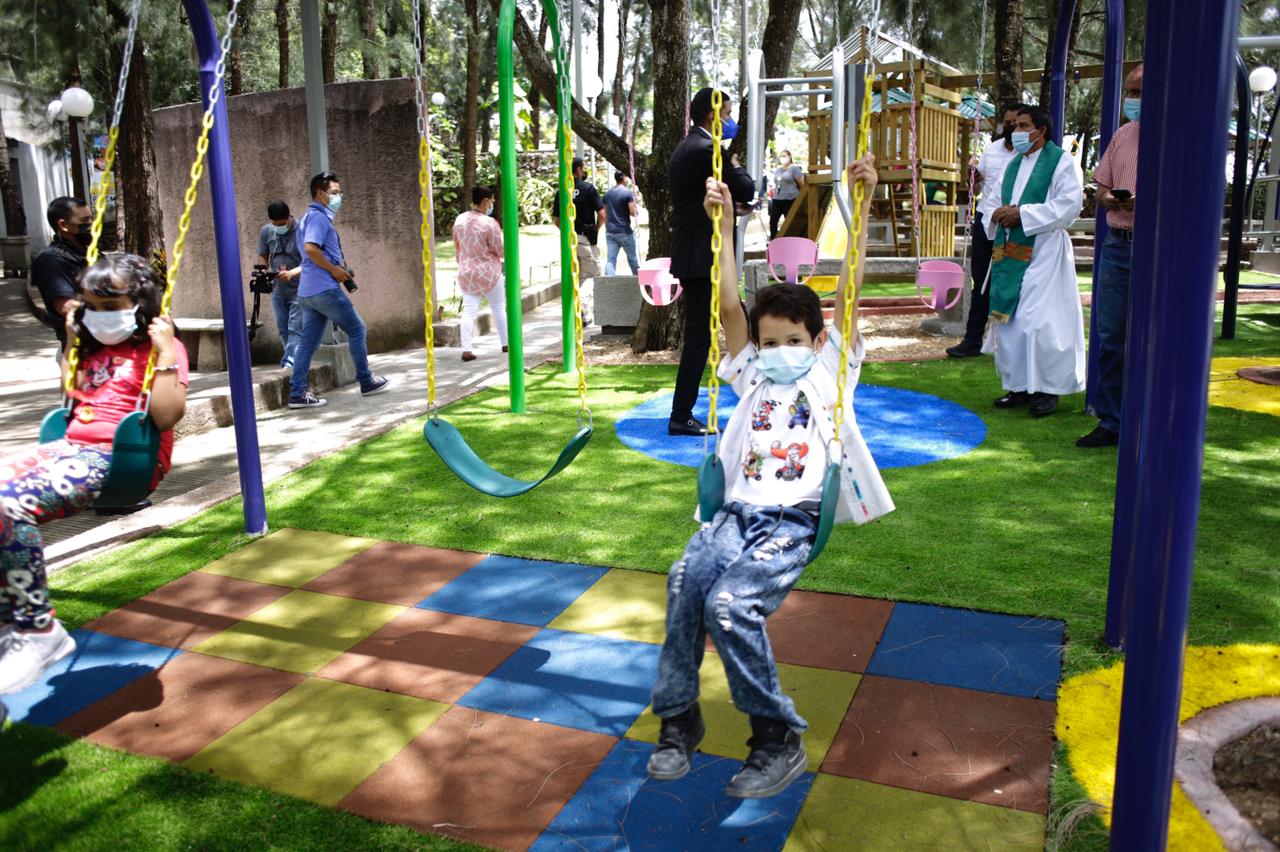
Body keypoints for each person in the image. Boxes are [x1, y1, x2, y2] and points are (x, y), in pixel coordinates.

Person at [646, 156, 894, 799]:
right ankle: (678, 721)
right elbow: (728, 303)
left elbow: (852, 291)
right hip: (735, 515)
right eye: (769, 341)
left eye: (792, 340)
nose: (780, 351)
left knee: (730, 606)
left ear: (817, 341)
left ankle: (776, 741)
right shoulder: (751, 372)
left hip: (794, 517)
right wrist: (722, 225)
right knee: (685, 581)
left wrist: (860, 208)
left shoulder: (829, 370)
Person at [0, 253, 189, 694]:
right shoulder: (92, 347)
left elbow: (166, 416)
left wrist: (163, 353)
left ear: (139, 304)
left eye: (111, 307)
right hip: (68, 448)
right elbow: (73, 396)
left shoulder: (161, 347)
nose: (99, 317)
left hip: (119, 457)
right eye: (91, 307)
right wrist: (70, 343)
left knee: (10, 504)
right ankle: (10, 623)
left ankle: (38, 629)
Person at [984, 105, 1086, 418]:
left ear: (1041, 130)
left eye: (1023, 125)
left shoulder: (1062, 163)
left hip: (1045, 251)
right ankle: (1018, 386)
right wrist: (997, 213)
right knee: (1013, 321)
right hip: (1011, 248)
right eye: (1013, 126)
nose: (1016, 132)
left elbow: (1069, 206)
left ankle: (1047, 389)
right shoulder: (1012, 165)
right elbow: (990, 200)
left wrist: (1023, 214)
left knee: (1039, 321)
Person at [667, 87, 757, 436]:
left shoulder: (690, 146)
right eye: (727, 114)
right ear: (712, 116)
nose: (729, 121)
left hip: (697, 253)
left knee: (730, 323)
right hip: (702, 255)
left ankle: (754, 395)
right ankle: (680, 414)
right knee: (700, 337)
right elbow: (746, 188)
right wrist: (732, 163)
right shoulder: (707, 149)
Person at [1079, 64, 1143, 448]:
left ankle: (1152, 421)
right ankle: (1112, 421)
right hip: (1119, 243)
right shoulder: (1122, 134)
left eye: (1138, 91)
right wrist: (1110, 198)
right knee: (1111, 334)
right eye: (1130, 91)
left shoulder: (1181, 136)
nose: (1131, 99)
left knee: (1158, 336)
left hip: (1160, 247)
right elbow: (1100, 190)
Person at [287, 172, 390, 409]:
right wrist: (334, 270)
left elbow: (310, 255)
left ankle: (297, 393)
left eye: (339, 192)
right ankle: (366, 380)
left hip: (308, 292)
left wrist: (336, 266)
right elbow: (311, 249)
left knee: (307, 343)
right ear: (320, 194)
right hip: (324, 289)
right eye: (334, 192)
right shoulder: (318, 218)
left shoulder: (308, 217)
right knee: (357, 328)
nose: (338, 197)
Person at [948, 103, 1025, 358]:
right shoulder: (992, 149)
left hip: (1013, 223)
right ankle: (972, 339)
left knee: (1012, 281)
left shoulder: (1027, 153)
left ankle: (1010, 343)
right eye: (1007, 123)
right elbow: (979, 183)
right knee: (980, 281)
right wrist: (974, 176)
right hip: (984, 220)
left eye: (1016, 123)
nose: (1010, 128)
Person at [452, 186, 509, 362]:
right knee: (498, 308)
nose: (492, 204)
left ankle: (466, 348)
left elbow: (457, 246)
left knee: (469, 310)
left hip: (467, 271)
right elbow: (500, 250)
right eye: (491, 201)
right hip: (489, 272)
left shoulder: (460, 219)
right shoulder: (490, 223)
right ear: (485, 201)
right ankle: (506, 343)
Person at [31, 196, 92, 350]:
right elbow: (67, 308)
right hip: (79, 349)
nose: (91, 225)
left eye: (91, 219)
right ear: (63, 225)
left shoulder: (89, 254)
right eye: (85, 221)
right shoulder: (51, 261)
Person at [257, 200, 304, 370]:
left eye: (282, 224)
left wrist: (292, 273)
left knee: (295, 328)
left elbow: (310, 261)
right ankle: (293, 360)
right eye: (275, 224)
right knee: (283, 327)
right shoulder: (267, 231)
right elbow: (263, 255)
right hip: (278, 288)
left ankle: (289, 362)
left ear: (289, 217)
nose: (278, 227)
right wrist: (263, 271)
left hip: (299, 288)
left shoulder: (301, 230)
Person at [552, 157, 606, 285]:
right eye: (584, 168)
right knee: (589, 277)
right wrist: (595, 229)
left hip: (569, 239)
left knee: (572, 277)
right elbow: (602, 214)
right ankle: (584, 305)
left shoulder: (561, 192)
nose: (585, 171)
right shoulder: (588, 188)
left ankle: (572, 304)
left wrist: (568, 231)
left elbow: (556, 219)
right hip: (586, 237)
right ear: (578, 170)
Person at [603, 171, 640, 275]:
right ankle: (639, 281)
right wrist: (636, 210)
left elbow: (605, 213)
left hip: (610, 231)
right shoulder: (628, 193)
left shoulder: (607, 194)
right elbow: (633, 212)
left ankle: (608, 283)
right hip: (624, 231)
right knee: (632, 258)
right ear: (624, 178)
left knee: (611, 260)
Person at [769, 150, 805, 239]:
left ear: (789, 157)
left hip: (790, 200)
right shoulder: (778, 170)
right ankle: (774, 241)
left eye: (784, 156)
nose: (783, 158)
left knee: (789, 223)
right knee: (773, 222)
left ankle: (789, 242)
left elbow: (802, 185)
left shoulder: (794, 169)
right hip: (777, 199)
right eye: (781, 156)